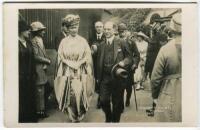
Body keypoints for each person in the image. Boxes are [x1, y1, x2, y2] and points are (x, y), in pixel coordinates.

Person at [54, 14, 95, 122]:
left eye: (75, 27)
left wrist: (81, 63)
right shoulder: (63, 42)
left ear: (78, 28)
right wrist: (68, 64)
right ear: (68, 29)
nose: (74, 30)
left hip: (80, 70)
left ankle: (80, 113)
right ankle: (72, 115)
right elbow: (60, 56)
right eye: (71, 27)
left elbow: (87, 55)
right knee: (69, 93)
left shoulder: (83, 41)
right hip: (67, 71)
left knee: (80, 91)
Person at [95, 21, 133, 122]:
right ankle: (108, 116)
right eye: (105, 29)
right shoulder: (101, 45)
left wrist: (124, 63)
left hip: (117, 77)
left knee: (117, 104)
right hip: (105, 78)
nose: (106, 31)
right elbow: (98, 63)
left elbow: (130, 57)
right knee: (103, 101)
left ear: (114, 30)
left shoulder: (121, 42)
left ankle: (115, 123)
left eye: (109, 29)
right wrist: (97, 78)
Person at [150, 12, 182, 122]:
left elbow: (155, 77)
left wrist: (155, 95)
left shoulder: (166, 49)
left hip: (170, 90)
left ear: (172, 29)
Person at [30, 21, 51, 118]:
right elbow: (36, 56)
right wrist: (47, 60)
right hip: (38, 69)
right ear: (37, 31)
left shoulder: (40, 39)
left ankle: (41, 110)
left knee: (43, 90)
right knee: (40, 91)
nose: (44, 32)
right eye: (42, 30)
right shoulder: (34, 41)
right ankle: (40, 112)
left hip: (42, 69)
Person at [18, 20, 37, 122]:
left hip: (30, 76)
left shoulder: (29, 43)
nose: (29, 32)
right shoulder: (15, 43)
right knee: (22, 99)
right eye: (27, 30)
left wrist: (34, 73)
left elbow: (33, 59)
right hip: (20, 77)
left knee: (30, 97)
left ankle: (30, 119)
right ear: (21, 31)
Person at [118, 23, 140, 107]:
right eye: (120, 31)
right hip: (119, 68)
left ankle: (127, 99)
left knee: (128, 87)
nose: (122, 33)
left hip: (129, 68)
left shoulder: (131, 42)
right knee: (119, 87)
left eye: (123, 31)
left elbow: (137, 55)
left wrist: (135, 64)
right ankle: (120, 103)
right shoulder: (116, 41)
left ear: (126, 31)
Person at [90, 21, 105, 109]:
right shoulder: (92, 38)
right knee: (97, 81)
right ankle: (100, 98)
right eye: (97, 27)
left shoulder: (105, 37)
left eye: (100, 26)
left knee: (103, 81)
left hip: (104, 63)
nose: (99, 28)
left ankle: (100, 100)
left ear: (102, 27)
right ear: (95, 28)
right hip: (95, 63)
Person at [144, 13, 162, 79]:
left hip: (157, 55)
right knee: (150, 72)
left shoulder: (160, 32)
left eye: (154, 23)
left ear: (158, 23)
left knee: (155, 73)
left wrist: (146, 38)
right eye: (151, 23)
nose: (152, 25)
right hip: (150, 54)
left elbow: (154, 41)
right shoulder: (150, 29)